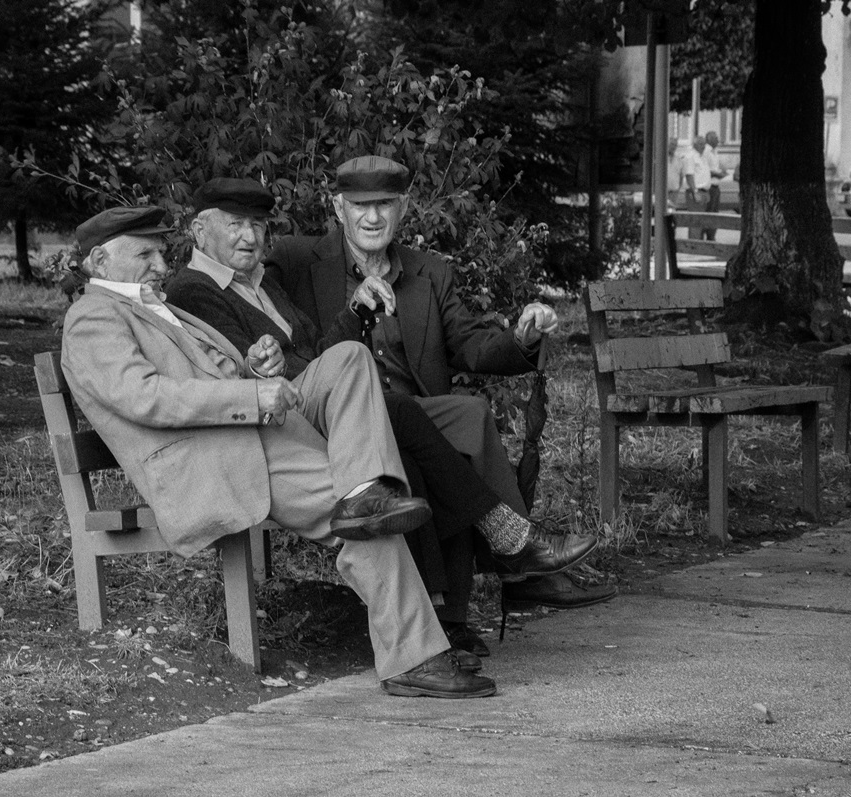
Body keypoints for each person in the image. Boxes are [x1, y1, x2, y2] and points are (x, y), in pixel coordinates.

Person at [60, 205, 495, 699]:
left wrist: (252, 368)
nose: (161, 266)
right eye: (146, 255)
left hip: (252, 434)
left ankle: (366, 493)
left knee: (349, 361)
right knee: (361, 515)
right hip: (222, 458)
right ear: (100, 261)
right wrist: (251, 395)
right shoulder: (93, 317)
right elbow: (144, 397)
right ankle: (413, 656)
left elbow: (207, 374)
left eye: (160, 253)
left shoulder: (150, 304)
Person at [167, 178, 605, 660]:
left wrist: (357, 312)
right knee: (398, 417)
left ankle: (456, 610)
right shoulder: (198, 289)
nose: (249, 237)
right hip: (286, 423)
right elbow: (224, 368)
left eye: (256, 225)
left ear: (403, 209)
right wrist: (257, 365)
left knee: (445, 423)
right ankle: (509, 545)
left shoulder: (264, 281)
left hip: (332, 398)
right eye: (235, 225)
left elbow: (321, 352)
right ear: (199, 230)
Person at [265, 156, 618, 616]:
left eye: (384, 204)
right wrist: (352, 312)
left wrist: (521, 337)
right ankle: (521, 567)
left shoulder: (429, 272)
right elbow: (292, 348)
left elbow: (472, 344)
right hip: (345, 422)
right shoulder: (298, 263)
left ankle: (502, 583)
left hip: (413, 413)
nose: (373, 217)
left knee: (462, 423)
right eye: (360, 205)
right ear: (338, 208)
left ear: (403, 207)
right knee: (454, 427)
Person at [681, 136, 711, 239]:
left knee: (701, 222)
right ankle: (693, 244)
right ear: (695, 145)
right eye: (701, 144)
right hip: (696, 192)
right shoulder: (690, 156)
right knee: (695, 222)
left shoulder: (703, 157)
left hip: (704, 191)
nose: (703, 146)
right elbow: (689, 175)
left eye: (704, 144)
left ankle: (699, 243)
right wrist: (695, 192)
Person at [703, 132, 728, 239]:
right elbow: (706, 170)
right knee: (709, 213)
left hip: (716, 186)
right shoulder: (706, 151)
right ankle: (707, 236)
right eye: (715, 138)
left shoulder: (715, 152)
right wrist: (718, 174)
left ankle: (712, 236)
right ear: (709, 139)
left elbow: (718, 167)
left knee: (715, 213)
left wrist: (722, 172)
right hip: (709, 187)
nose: (718, 140)